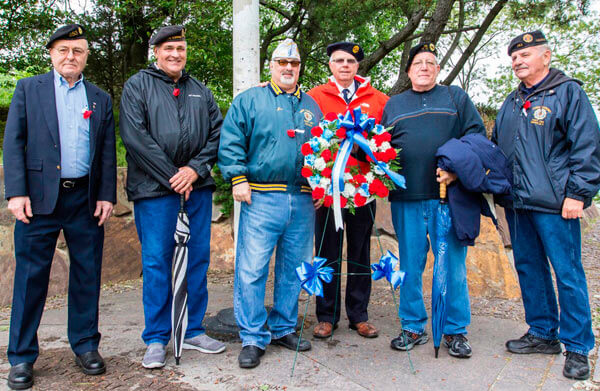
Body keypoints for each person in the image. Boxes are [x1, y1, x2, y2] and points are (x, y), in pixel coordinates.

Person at [3, 24, 116, 390]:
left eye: (78, 51)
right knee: (30, 279)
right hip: (38, 201)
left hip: (84, 199)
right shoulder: (28, 89)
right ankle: (21, 357)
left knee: (87, 276)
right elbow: (13, 143)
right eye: (64, 50)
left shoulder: (99, 96)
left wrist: (106, 194)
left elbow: (107, 152)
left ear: (86, 56)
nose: (71, 56)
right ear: (52, 53)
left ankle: (85, 345)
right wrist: (15, 193)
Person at [493, 30, 600, 380]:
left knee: (567, 273)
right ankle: (542, 332)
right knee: (528, 267)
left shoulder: (568, 92)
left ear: (546, 56)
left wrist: (578, 194)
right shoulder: (510, 102)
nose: (518, 61)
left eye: (525, 55)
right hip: (517, 203)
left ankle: (579, 347)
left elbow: (586, 146)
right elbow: (498, 149)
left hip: (556, 204)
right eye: (513, 57)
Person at [119, 25, 225, 369]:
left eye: (180, 48)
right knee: (157, 262)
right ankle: (156, 337)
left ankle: (193, 328)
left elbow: (217, 134)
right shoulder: (138, 86)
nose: (175, 54)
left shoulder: (200, 91)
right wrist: (173, 176)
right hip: (154, 192)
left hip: (196, 189)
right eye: (168, 49)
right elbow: (135, 137)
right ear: (156, 52)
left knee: (197, 259)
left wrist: (194, 170)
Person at [218, 38, 322, 369]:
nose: (288, 68)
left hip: (303, 200)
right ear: (272, 66)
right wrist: (238, 177)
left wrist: (321, 184)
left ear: (300, 67)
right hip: (261, 196)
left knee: (294, 268)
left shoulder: (312, 106)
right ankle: (252, 336)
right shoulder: (250, 100)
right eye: (282, 63)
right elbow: (232, 139)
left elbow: (325, 149)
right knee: (252, 269)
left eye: (294, 64)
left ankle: (282, 327)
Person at [381, 42, 486, 358]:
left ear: (438, 69)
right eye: (418, 63)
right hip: (406, 199)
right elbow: (381, 147)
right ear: (409, 70)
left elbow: (476, 139)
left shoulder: (455, 98)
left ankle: (454, 330)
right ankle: (413, 325)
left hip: (447, 200)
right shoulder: (393, 104)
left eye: (430, 62)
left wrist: (456, 172)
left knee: (452, 267)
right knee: (410, 266)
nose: (424, 66)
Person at [307, 42, 389, 339]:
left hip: (363, 191)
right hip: (327, 193)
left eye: (350, 61)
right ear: (330, 65)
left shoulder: (378, 99)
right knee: (326, 253)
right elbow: (306, 142)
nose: (344, 65)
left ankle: (359, 315)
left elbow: (387, 141)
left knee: (359, 252)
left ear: (357, 66)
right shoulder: (314, 97)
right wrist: (316, 184)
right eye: (339, 60)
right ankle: (326, 315)